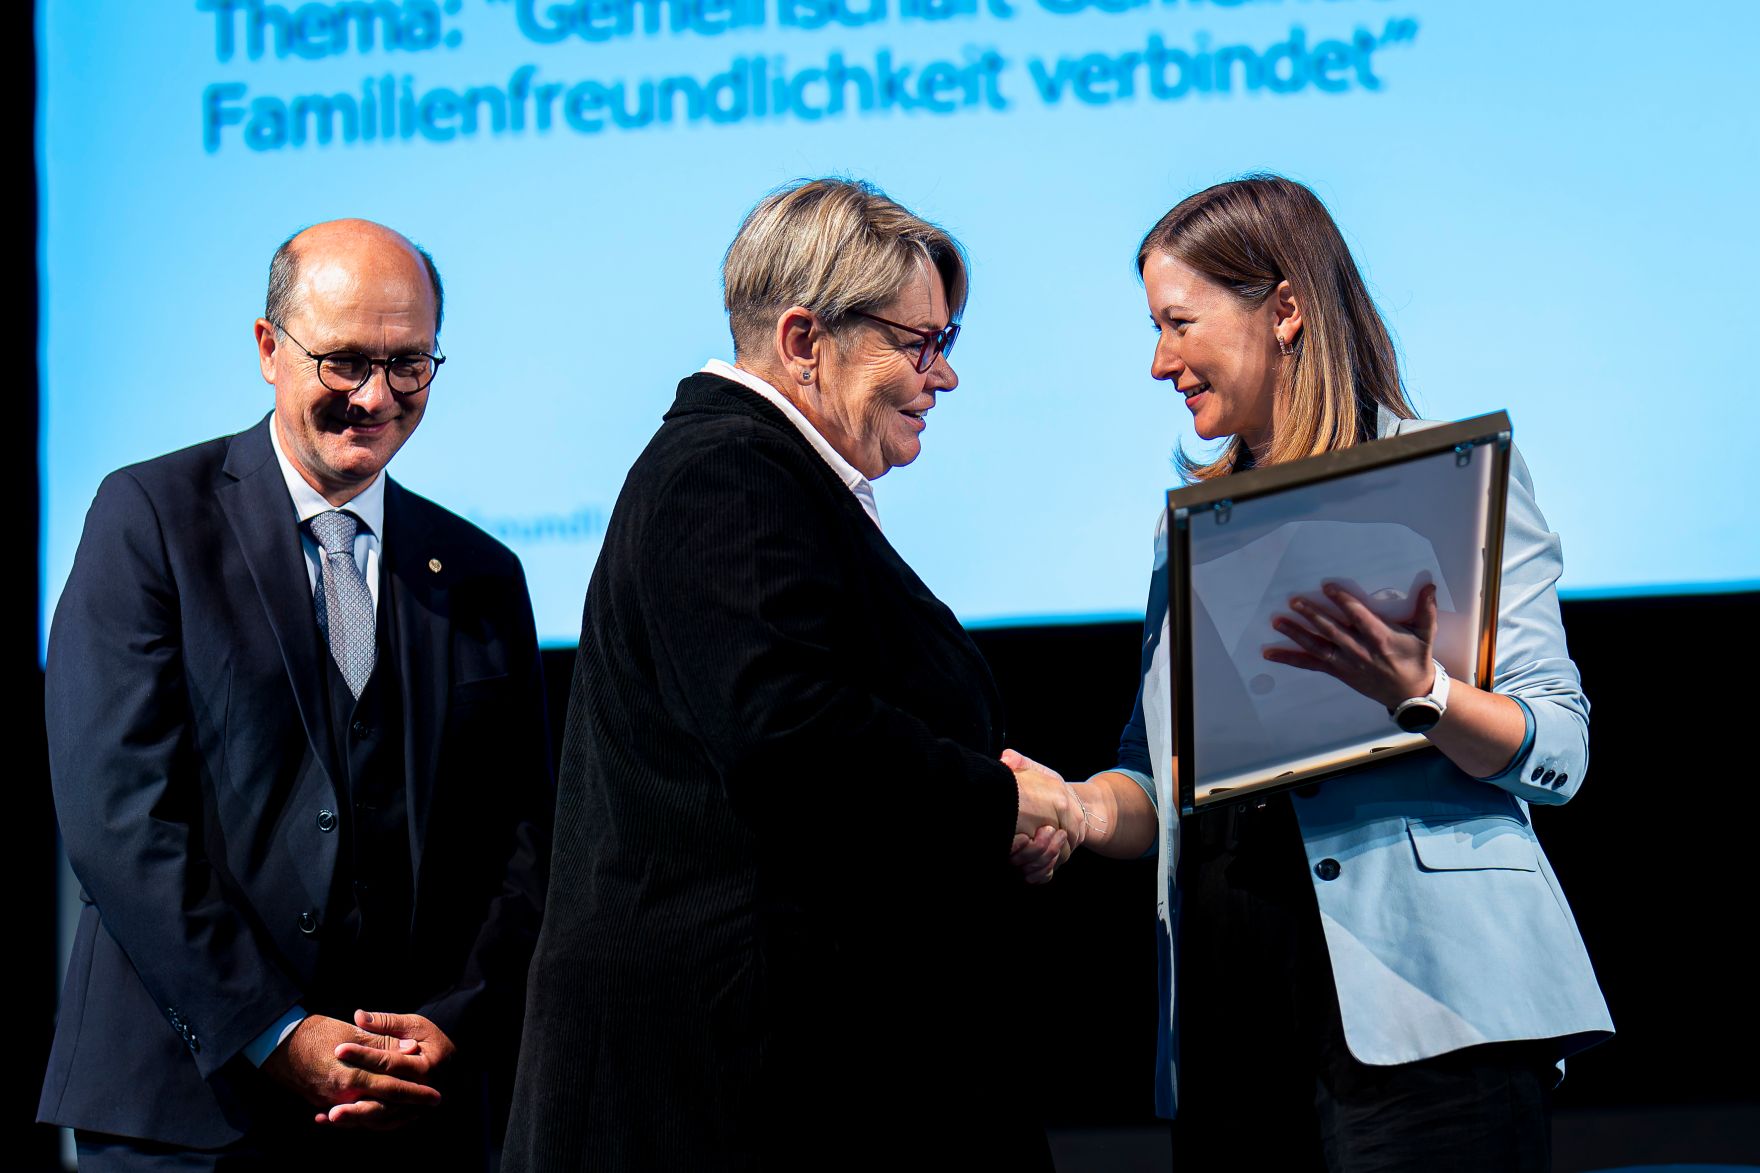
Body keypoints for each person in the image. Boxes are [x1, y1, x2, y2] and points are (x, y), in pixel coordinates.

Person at [1009, 175, 1613, 1170]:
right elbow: (1157, 780)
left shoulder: (1448, 482)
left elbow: (1558, 748)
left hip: (1432, 1014)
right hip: (1231, 1022)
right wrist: (1074, 808)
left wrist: (1424, 695)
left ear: (1284, 309)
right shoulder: (1186, 532)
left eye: (1178, 323)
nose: (1159, 361)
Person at [502, 178, 1082, 1171]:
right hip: (728, 1089)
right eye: (919, 343)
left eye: (945, 342)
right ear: (805, 339)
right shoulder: (724, 472)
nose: (943, 376)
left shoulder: (762, 471)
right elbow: (786, 731)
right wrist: (998, 802)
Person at [38, 219, 552, 1171]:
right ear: (270, 348)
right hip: (190, 1115)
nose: (376, 396)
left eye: (408, 364)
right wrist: (273, 1030)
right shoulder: (150, 520)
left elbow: (525, 839)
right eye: (345, 361)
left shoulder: (482, 572)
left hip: (409, 1112)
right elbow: (119, 817)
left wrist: (453, 1022)